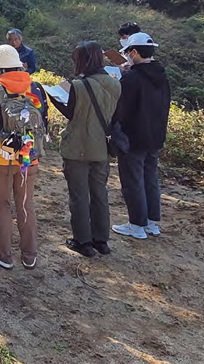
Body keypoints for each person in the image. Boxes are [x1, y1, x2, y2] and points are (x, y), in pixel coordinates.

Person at [0, 45, 48, 270]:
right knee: (26, 204)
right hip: (29, 158)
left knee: (1, 205)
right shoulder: (36, 88)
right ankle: (30, 255)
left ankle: (4, 256)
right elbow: (43, 121)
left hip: (1, 159)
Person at [47, 41, 121, 257]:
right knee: (99, 193)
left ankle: (83, 242)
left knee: (79, 195)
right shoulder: (116, 84)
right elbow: (115, 116)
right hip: (102, 148)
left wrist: (53, 98)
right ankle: (102, 241)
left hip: (78, 147)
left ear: (83, 60)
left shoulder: (78, 86)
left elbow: (72, 114)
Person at [111, 33, 171, 239]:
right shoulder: (161, 75)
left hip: (133, 138)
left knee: (133, 180)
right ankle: (152, 223)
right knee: (151, 178)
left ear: (134, 52)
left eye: (128, 52)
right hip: (155, 135)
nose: (127, 57)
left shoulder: (132, 78)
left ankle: (136, 224)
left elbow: (121, 110)